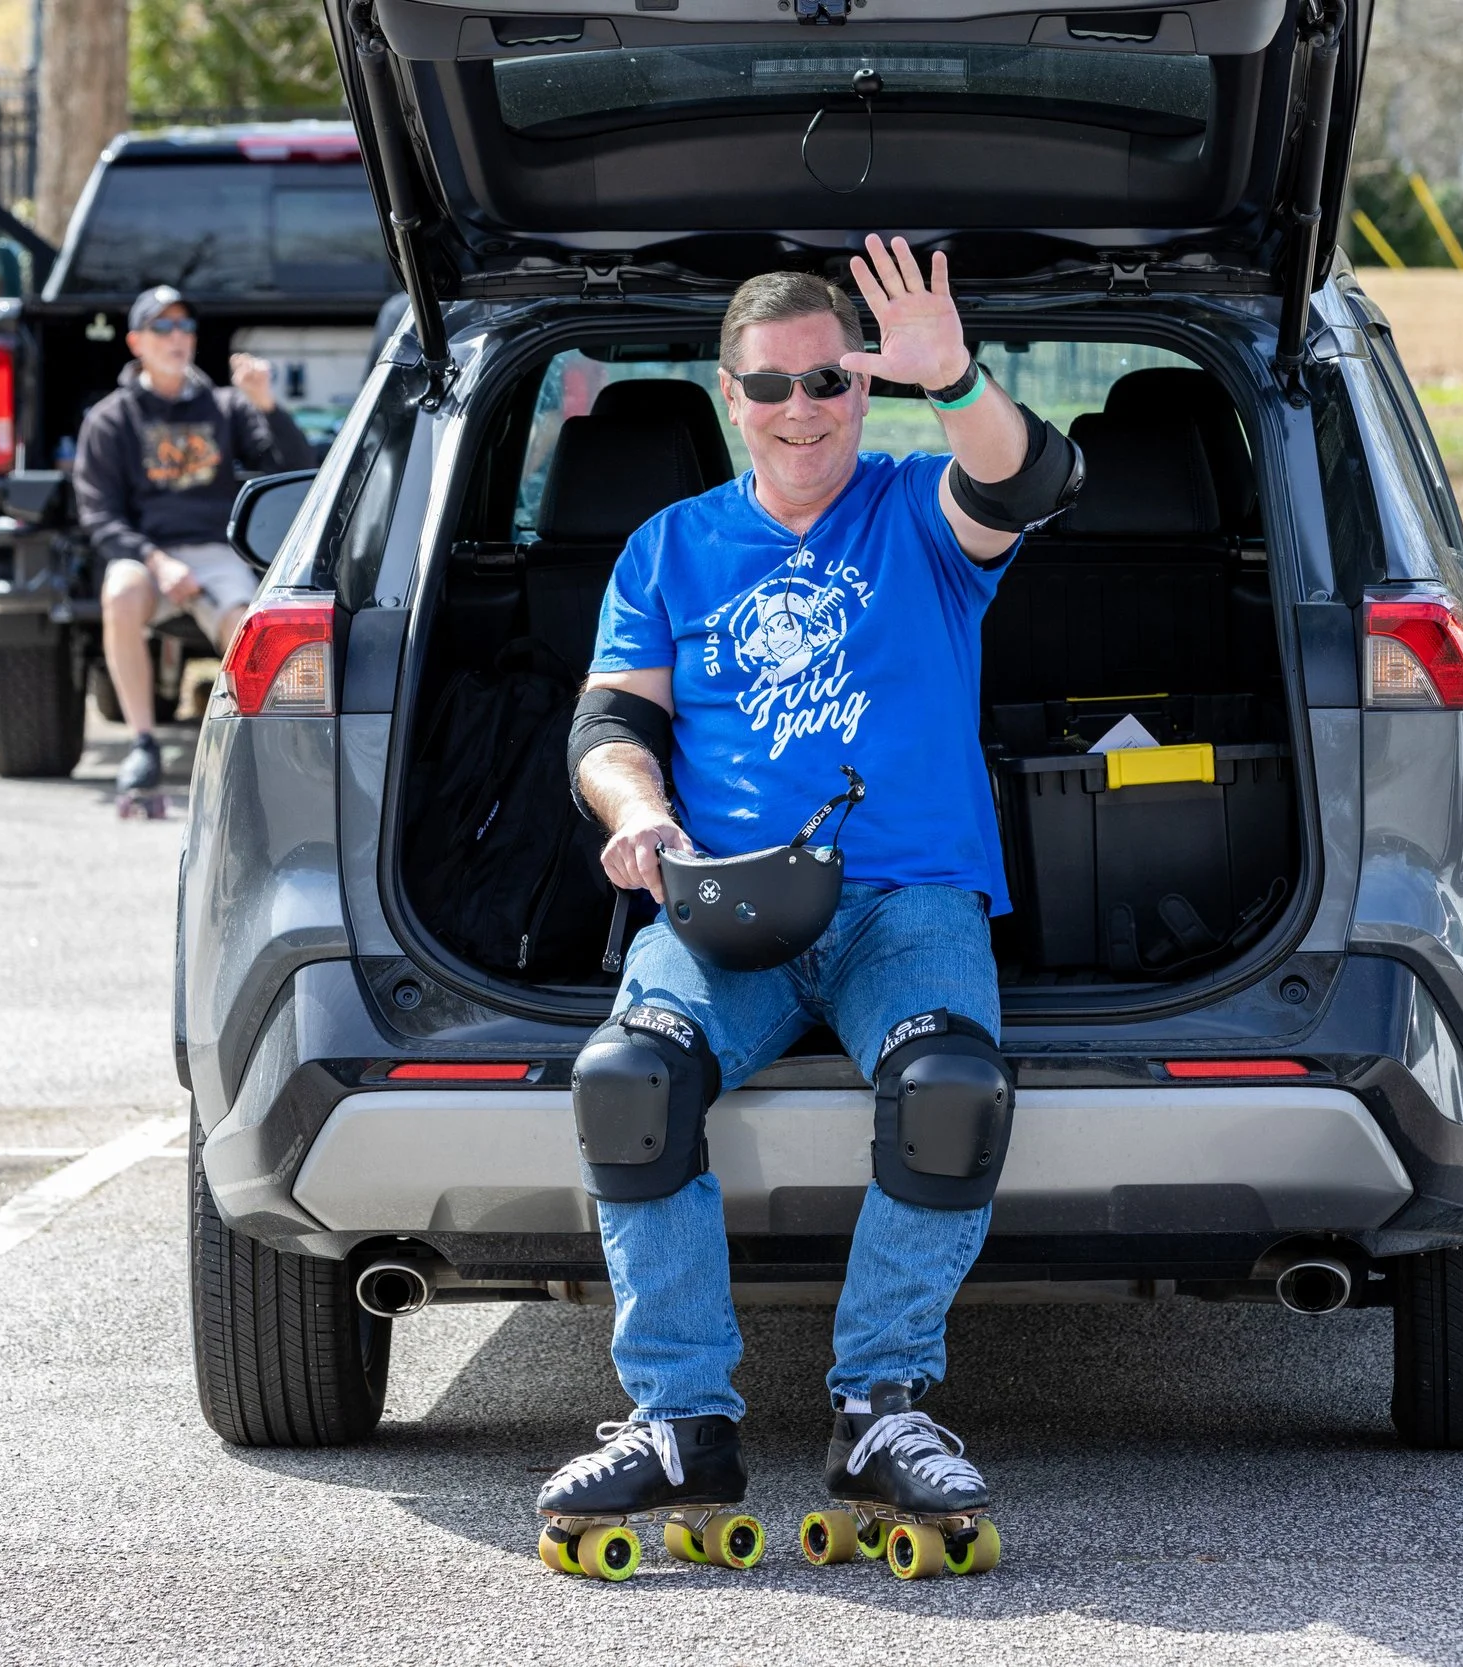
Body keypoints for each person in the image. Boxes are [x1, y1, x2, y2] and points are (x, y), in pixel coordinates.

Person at [541, 238, 1083, 1545]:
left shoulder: (917, 512)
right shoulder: (670, 549)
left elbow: (1032, 476)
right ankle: (679, 1419)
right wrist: (642, 810)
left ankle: (881, 1404)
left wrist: (956, 381)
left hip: (908, 900)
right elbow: (607, 723)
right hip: (727, 901)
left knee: (948, 1092)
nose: (801, 410)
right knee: (630, 1079)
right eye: (771, 386)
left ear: (863, 388)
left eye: (829, 381)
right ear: (730, 395)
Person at [74, 284, 317, 795]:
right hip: (147, 557)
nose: (177, 337)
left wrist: (268, 405)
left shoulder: (227, 407)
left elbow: (298, 472)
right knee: (118, 594)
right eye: (162, 327)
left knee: (248, 630)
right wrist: (157, 562)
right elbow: (99, 517)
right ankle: (143, 744)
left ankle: (254, 758)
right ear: (137, 342)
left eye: (184, 326)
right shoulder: (111, 419)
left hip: (216, 553)